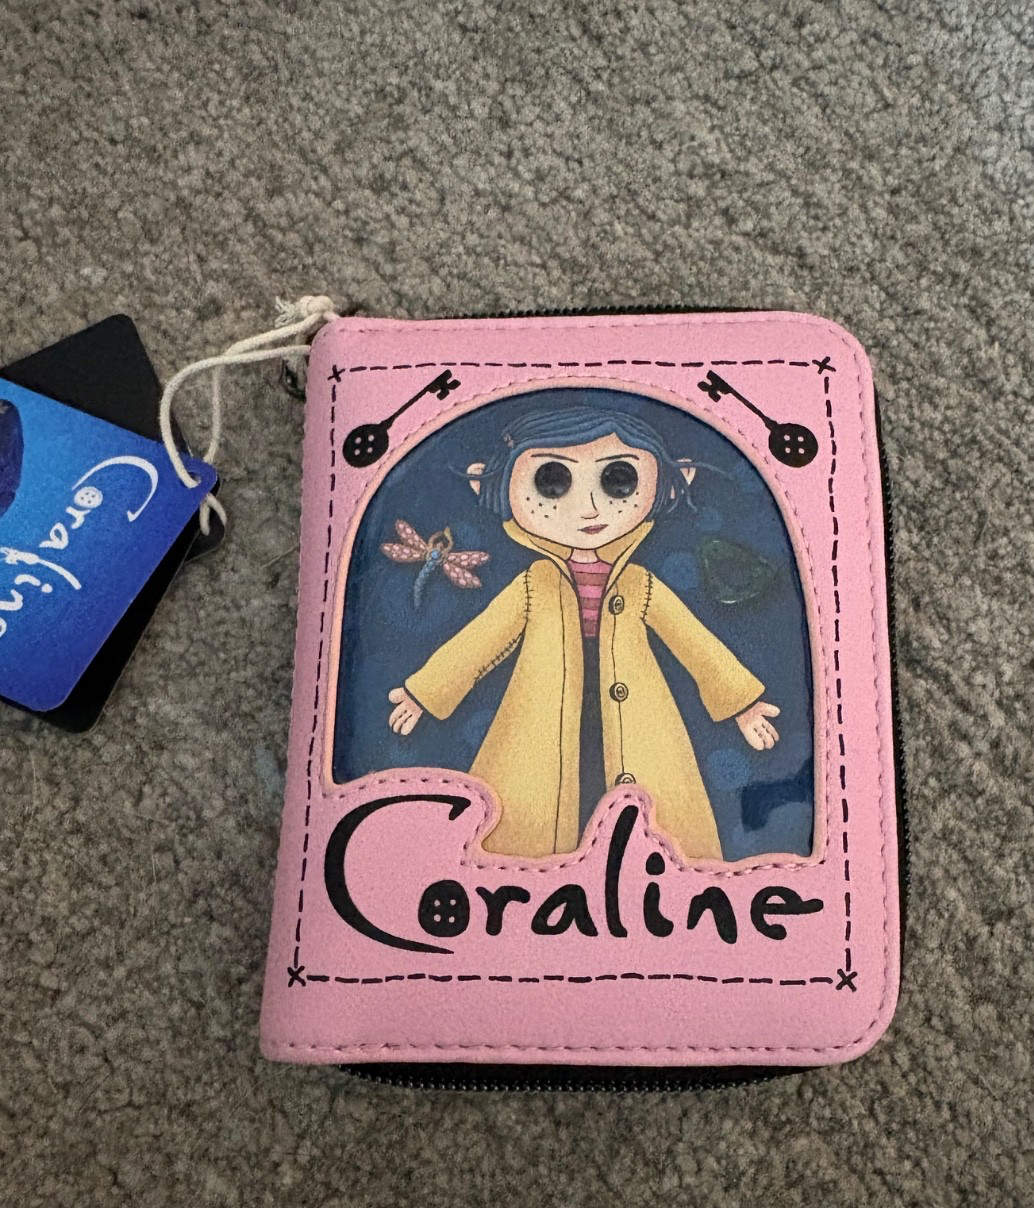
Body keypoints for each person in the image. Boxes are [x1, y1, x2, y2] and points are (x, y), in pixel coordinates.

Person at [387, 406, 780, 860]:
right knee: (530, 822)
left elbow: (694, 642)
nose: (588, 507)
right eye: (551, 481)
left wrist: (741, 703)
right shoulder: (535, 584)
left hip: (640, 726)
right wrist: (426, 692)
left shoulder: (640, 585)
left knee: (653, 826)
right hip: (541, 725)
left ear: (675, 481)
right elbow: (480, 640)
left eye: (618, 480)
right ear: (489, 484)